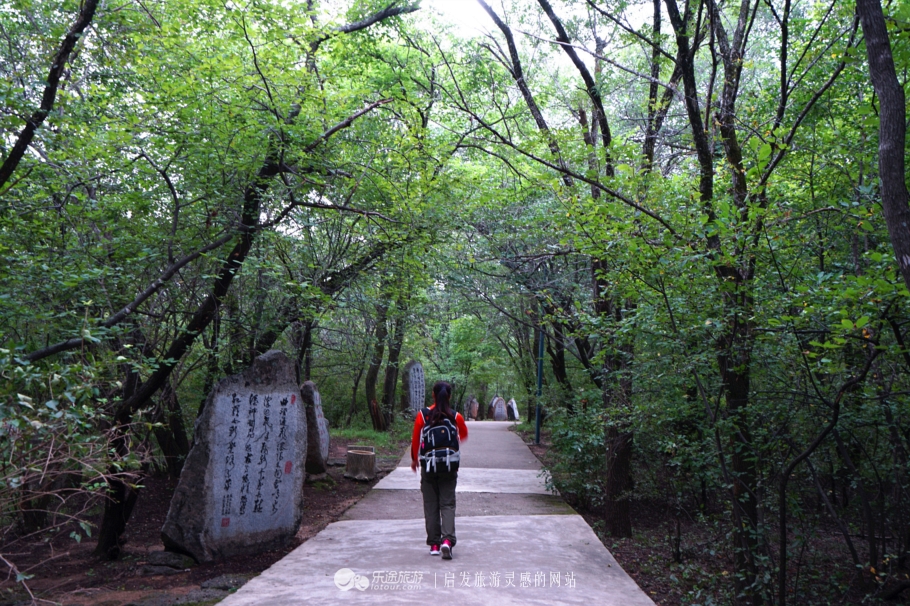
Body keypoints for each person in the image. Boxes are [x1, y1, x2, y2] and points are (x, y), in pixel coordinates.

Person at [410, 381, 468, 559]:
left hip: (429, 465)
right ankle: (447, 541)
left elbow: (415, 439)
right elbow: (464, 435)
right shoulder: (455, 416)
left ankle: (434, 544)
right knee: (447, 503)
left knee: (431, 504)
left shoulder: (423, 414)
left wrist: (414, 460)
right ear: (449, 396)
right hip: (449, 466)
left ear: (433, 395)